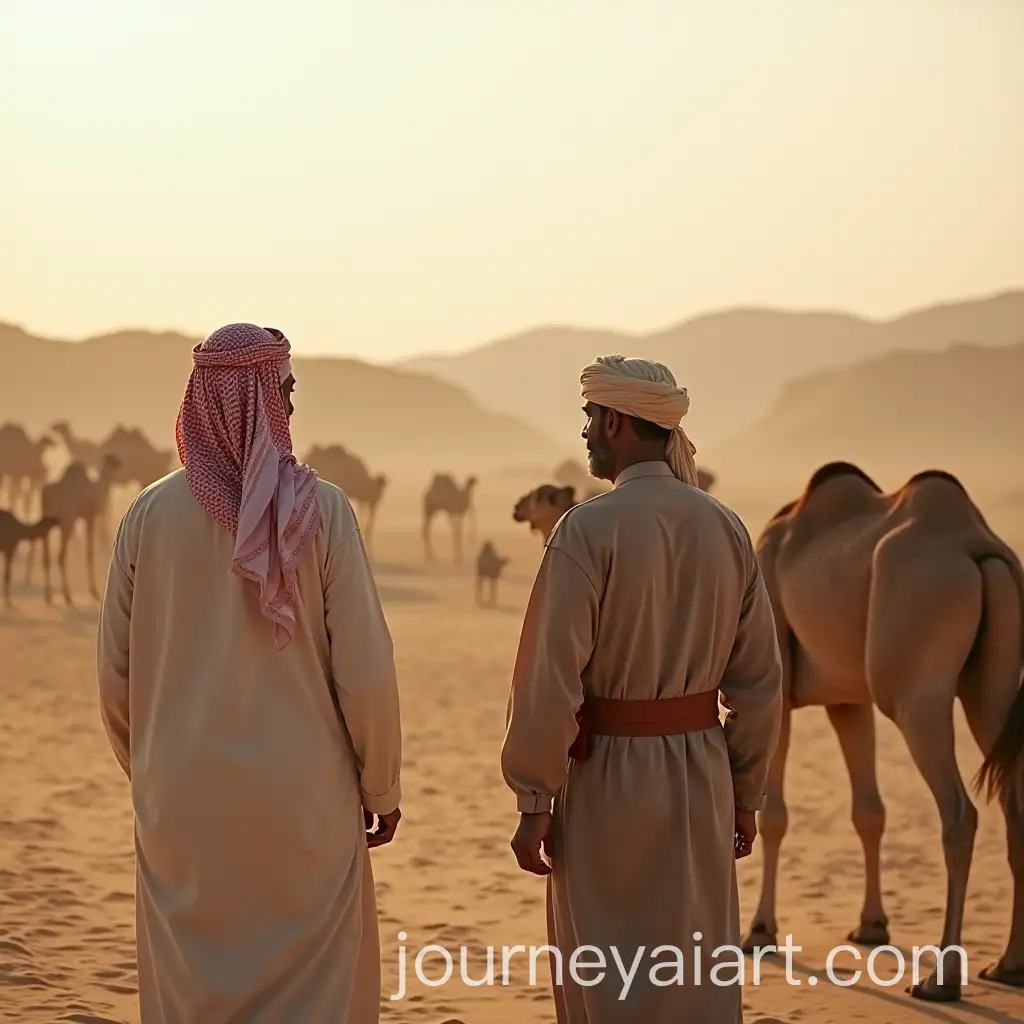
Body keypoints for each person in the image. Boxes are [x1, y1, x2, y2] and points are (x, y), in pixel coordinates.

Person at [96, 323, 403, 1023]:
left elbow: (114, 680)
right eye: (284, 391)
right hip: (303, 805)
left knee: (191, 995)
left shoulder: (147, 516)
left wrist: (152, 767)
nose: (291, 409)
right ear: (250, 398)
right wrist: (379, 783)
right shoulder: (320, 511)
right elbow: (367, 671)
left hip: (180, 807)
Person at [500, 355, 784, 1023]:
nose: (586, 435)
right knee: (691, 976)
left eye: (590, 419)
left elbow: (547, 681)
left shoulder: (586, 530)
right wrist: (745, 794)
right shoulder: (727, 528)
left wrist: (534, 797)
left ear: (617, 421)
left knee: (608, 979)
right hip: (701, 779)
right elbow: (762, 685)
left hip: (605, 785)